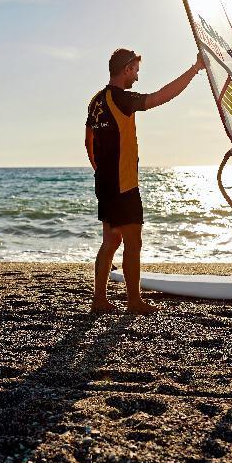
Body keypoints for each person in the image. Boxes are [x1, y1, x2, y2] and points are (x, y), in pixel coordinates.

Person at [85, 48, 205, 314]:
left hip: (104, 182)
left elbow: (88, 141)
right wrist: (195, 69)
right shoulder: (121, 99)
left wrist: (99, 169)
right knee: (132, 242)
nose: (137, 76)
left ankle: (100, 300)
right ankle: (134, 301)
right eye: (136, 70)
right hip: (123, 183)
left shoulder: (96, 100)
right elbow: (162, 96)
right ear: (126, 69)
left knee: (110, 241)